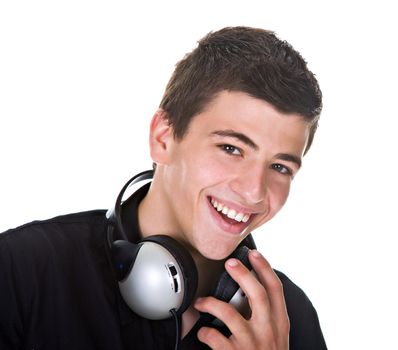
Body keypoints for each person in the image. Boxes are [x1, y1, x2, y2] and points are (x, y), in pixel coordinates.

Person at [0, 26, 325, 349]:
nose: (254, 191)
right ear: (163, 138)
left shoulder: (290, 318)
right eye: (231, 149)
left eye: (280, 167)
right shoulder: (21, 271)